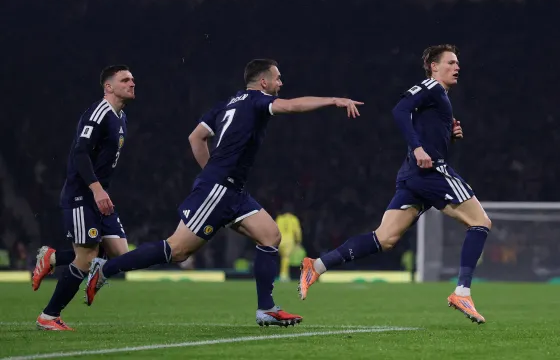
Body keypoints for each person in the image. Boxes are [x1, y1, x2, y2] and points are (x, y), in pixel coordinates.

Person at [85, 59, 363, 327]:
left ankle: (266, 309)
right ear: (263, 82)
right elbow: (291, 106)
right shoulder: (257, 100)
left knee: (270, 235)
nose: (281, 83)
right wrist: (333, 100)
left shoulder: (227, 104)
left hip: (232, 190)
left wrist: (211, 170)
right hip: (219, 188)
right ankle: (105, 269)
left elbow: (196, 137)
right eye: (277, 78)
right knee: (177, 250)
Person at [298, 45, 492, 324]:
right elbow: (400, 110)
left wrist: (449, 135)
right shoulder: (431, 87)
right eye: (450, 62)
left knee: (384, 238)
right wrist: (418, 148)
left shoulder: (441, 97)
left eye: (457, 63)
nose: (456, 67)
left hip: (414, 175)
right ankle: (462, 291)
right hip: (431, 172)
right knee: (480, 223)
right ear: (433, 67)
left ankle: (316, 265)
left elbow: (423, 126)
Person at [35, 65, 136, 331]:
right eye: (125, 80)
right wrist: (96, 189)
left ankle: (53, 258)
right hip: (83, 194)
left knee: (121, 255)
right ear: (108, 87)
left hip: (100, 195)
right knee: (87, 256)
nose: (132, 83)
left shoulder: (121, 117)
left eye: (132, 80)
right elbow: (80, 152)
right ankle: (49, 316)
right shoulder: (98, 113)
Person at [275, 203, 302, 281]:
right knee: (286, 258)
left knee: (282, 258)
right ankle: (284, 275)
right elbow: (297, 231)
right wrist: (298, 241)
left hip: (280, 241)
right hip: (289, 241)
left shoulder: (279, 218)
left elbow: (275, 230)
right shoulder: (294, 219)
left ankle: (282, 274)